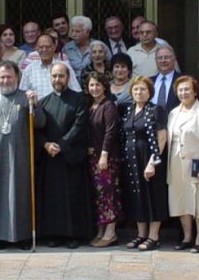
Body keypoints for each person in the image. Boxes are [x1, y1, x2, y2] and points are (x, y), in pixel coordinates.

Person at [0, 61, 43, 250]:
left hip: (20, 157)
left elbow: (39, 123)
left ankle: (22, 237)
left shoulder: (25, 98)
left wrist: (36, 105)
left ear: (17, 78)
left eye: (9, 77)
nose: (5, 80)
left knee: (19, 197)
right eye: (2, 77)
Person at [34, 63, 90, 248]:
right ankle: (54, 234)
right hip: (51, 157)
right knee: (53, 198)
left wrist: (62, 144)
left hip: (71, 156)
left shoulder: (79, 99)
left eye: (61, 76)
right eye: (54, 76)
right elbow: (38, 129)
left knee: (72, 197)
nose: (57, 80)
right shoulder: (43, 102)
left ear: (68, 77)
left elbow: (80, 125)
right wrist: (46, 145)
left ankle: (73, 235)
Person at [166, 76, 199, 252]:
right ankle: (187, 237)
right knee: (181, 201)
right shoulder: (173, 113)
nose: (184, 93)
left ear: (195, 91)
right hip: (176, 163)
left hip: (198, 163)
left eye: (187, 89)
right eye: (180, 90)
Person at [120, 75, 168, 251]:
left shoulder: (156, 110)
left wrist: (152, 162)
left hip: (149, 157)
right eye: (136, 89)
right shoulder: (129, 110)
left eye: (143, 89)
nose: (139, 92)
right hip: (132, 160)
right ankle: (141, 234)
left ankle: (153, 236)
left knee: (153, 195)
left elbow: (162, 137)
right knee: (137, 195)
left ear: (149, 92)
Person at [85, 71, 121, 247]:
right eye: (91, 85)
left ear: (104, 86)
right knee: (98, 195)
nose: (94, 88)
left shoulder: (109, 106)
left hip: (106, 158)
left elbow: (110, 132)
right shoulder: (92, 106)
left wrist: (104, 154)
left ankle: (111, 232)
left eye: (98, 85)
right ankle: (101, 229)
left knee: (108, 194)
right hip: (93, 158)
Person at [151, 46, 181, 112]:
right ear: (156, 61)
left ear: (174, 59)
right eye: (160, 58)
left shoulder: (182, 80)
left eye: (166, 57)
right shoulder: (149, 81)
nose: (163, 60)